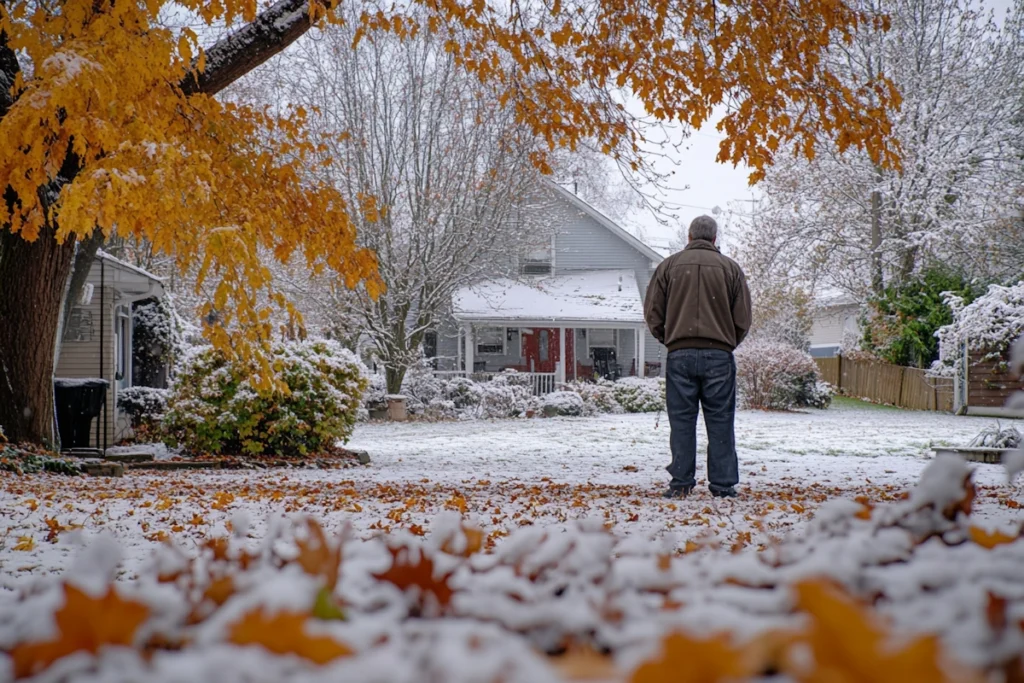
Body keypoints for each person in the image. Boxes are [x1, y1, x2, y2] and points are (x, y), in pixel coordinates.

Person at [643, 215, 752, 498]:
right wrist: (726, 342)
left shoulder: (669, 267)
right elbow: (743, 319)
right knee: (720, 421)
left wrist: (670, 338)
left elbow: (653, 313)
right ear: (715, 239)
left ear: (689, 237)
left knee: (681, 421)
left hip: (680, 353)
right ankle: (723, 485)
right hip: (719, 355)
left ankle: (681, 482)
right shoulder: (730, 269)